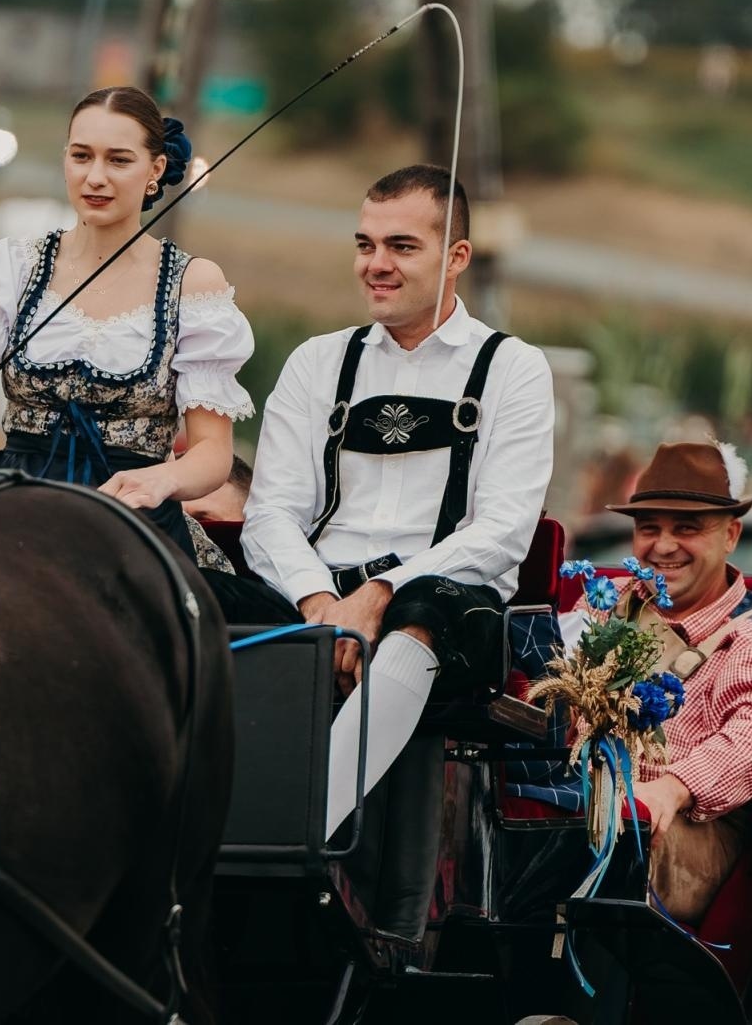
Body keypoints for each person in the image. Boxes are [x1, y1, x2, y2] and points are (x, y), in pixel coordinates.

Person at [204, 164, 556, 937]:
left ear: (456, 256)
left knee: (423, 611)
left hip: (449, 604)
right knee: (193, 591)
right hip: (318, 596)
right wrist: (321, 604)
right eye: (365, 244)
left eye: (402, 245)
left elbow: (501, 532)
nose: (376, 263)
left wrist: (383, 594)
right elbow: (268, 517)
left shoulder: (513, 368)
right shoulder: (317, 362)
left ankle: (301, 828)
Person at [0, 87, 255, 559]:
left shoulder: (193, 283)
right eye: (81, 156)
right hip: (14, 502)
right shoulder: (12, 267)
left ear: (156, 170)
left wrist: (160, 478)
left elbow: (211, 455)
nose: (95, 177)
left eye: (119, 160)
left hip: (130, 516)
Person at [591, 440, 752, 923]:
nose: (663, 545)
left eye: (687, 528)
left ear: (731, 535)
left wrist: (670, 790)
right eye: (648, 527)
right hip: (581, 808)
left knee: (612, 837)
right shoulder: (603, 604)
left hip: (686, 839)